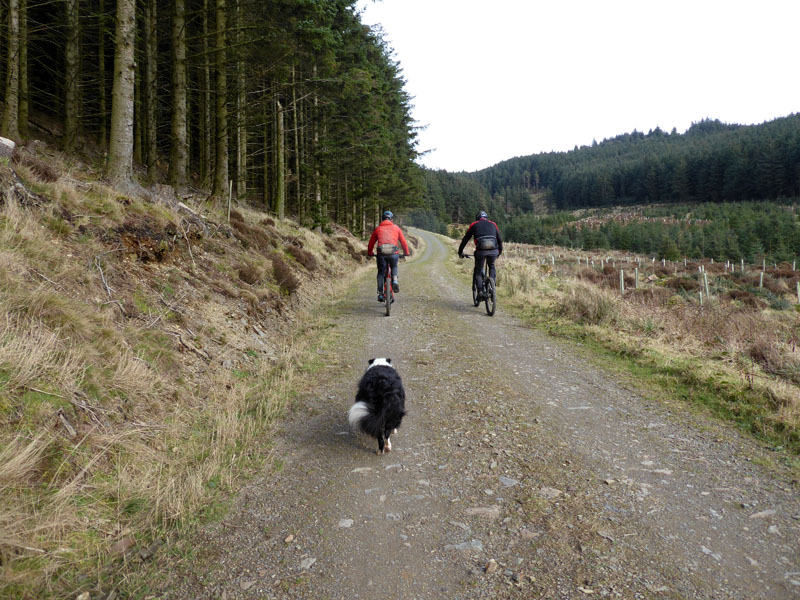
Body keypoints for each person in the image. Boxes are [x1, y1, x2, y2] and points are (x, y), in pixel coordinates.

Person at [367, 211, 411, 302]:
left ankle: (380, 294)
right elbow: (403, 242)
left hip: (381, 253)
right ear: (391, 219)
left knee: (381, 273)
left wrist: (370, 253)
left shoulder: (378, 229)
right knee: (394, 266)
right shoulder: (396, 228)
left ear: (382, 219)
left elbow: (371, 243)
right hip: (393, 253)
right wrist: (406, 253)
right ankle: (394, 280)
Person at [458, 211, 503, 299]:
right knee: (492, 265)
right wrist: (499, 251)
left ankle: (480, 292)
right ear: (486, 217)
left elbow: (465, 239)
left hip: (481, 251)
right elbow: (499, 239)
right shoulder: (493, 224)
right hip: (493, 251)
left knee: (478, 271)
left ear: (477, 218)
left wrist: (460, 252)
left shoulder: (474, 224)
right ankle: (492, 285)